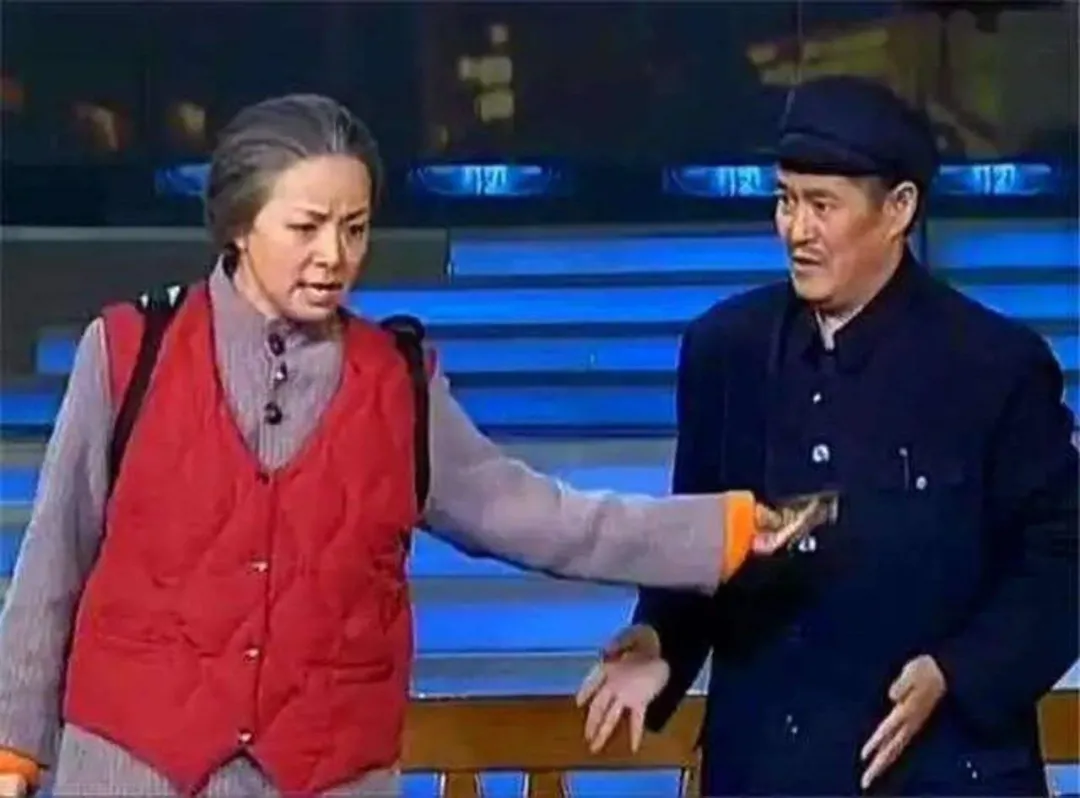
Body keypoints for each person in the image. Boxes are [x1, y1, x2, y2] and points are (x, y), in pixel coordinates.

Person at [0, 94, 824, 798]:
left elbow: (540, 517)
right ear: (240, 226)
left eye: (355, 229)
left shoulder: (396, 383)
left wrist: (722, 531)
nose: (335, 256)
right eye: (307, 227)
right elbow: (52, 563)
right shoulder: (129, 352)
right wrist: (13, 747)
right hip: (134, 768)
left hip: (328, 772)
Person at [578, 76, 1079, 796]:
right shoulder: (726, 351)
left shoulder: (993, 366)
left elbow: (1062, 560)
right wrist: (660, 638)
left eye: (822, 205)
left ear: (898, 209)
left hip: (940, 772)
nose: (796, 230)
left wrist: (956, 672)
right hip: (767, 772)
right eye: (786, 200)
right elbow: (698, 538)